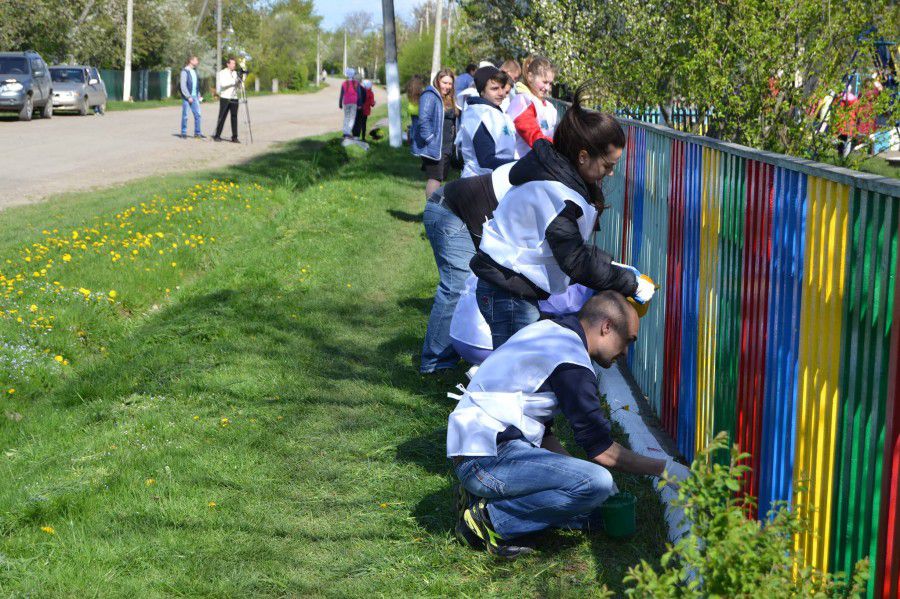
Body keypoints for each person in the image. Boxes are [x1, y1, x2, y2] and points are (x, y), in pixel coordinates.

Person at [449, 291, 684, 557]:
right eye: (627, 341)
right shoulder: (571, 361)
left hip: (478, 451)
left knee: (593, 510)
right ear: (607, 327)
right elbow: (602, 450)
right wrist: (666, 469)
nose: (625, 352)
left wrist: (577, 474)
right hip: (486, 461)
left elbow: (545, 435)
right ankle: (490, 521)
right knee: (597, 483)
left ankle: (481, 498)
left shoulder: (553, 332)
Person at [471, 84, 656, 349]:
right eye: (607, 165)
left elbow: (569, 247)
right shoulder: (558, 196)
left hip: (510, 285)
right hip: (508, 290)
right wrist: (629, 283)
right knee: (517, 372)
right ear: (583, 156)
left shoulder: (557, 181)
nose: (611, 173)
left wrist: (612, 265)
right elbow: (575, 261)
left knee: (520, 366)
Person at [419, 162, 515, 374]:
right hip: (447, 211)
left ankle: (460, 351)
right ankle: (435, 364)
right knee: (457, 284)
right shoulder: (538, 184)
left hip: (465, 214)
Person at [456, 66, 515, 178]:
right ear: (482, 91)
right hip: (479, 183)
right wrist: (519, 164)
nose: (501, 93)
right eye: (494, 88)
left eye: (502, 87)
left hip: (497, 179)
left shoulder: (495, 112)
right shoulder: (479, 114)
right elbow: (486, 161)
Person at [411, 68, 458, 198]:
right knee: (435, 179)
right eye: (444, 82)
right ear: (437, 81)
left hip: (447, 145)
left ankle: (434, 212)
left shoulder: (449, 98)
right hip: (436, 145)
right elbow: (423, 120)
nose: (447, 86)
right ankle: (431, 213)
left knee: (440, 178)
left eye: (450, 83)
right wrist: (431, 139)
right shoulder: (430, 95)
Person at [506, 56, 558, 157]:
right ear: (530, 77)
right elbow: (533, 136)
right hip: (521, 165)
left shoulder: (550, 107)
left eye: (550, 83)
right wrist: (559, 147)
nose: (547, 87)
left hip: (542, 163)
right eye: (544, 82)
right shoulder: (522, 101)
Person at [213, 57, 240, 143]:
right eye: (232, 63)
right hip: (225, 97)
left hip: (235, 97)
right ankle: (217, 135)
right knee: (222, 116)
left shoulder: (236, 73)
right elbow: (223, 84)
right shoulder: (222, 73)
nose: (233, 65)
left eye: (234, 64)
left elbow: (239, 86)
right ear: (228, 64)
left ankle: (234, 137)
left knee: (234, 117)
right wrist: (233, 82)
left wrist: (239, 83)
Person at [179, 56, 204, 139]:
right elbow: (183, 85)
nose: (197, 61)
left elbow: (196, 84)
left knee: (198, 115)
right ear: (191, 61)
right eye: (196, 60)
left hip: (195, 96)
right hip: (187, 97)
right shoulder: (185, 71)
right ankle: (183, 133)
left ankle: (197, 133)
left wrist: (198, 94)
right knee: (185, 116)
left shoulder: (194, 71)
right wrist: (188, 96)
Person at [339, 68, 360, 139]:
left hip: (346, 102)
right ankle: (348, 132)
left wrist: (340, 103)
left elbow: (341, 94)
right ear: (353, 75)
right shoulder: (356, 83)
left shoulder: (344, 83)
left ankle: (345, 132)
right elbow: (359, 94)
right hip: (354, 102)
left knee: (346, 117)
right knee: (352, 118)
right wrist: (359, 104)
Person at [405, 75, 425, 144]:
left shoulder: (410, 89)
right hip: (417, 111)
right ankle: (414, 141)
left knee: (414, 125)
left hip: (411, 109)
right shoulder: (420, 90)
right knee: (417, 127)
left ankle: (411, 138)